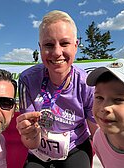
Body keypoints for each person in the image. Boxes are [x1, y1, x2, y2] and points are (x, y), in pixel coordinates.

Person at [16, 10, 98, 168]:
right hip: (38, 149)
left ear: (76, 46)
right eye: (49, 45)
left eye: (64, 43)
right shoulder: (27, 79)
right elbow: (30, 142)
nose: (57, 52)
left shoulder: (87, 83)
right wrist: (29, 134)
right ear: (40, 48)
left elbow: (98, 134)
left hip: (75, 147)